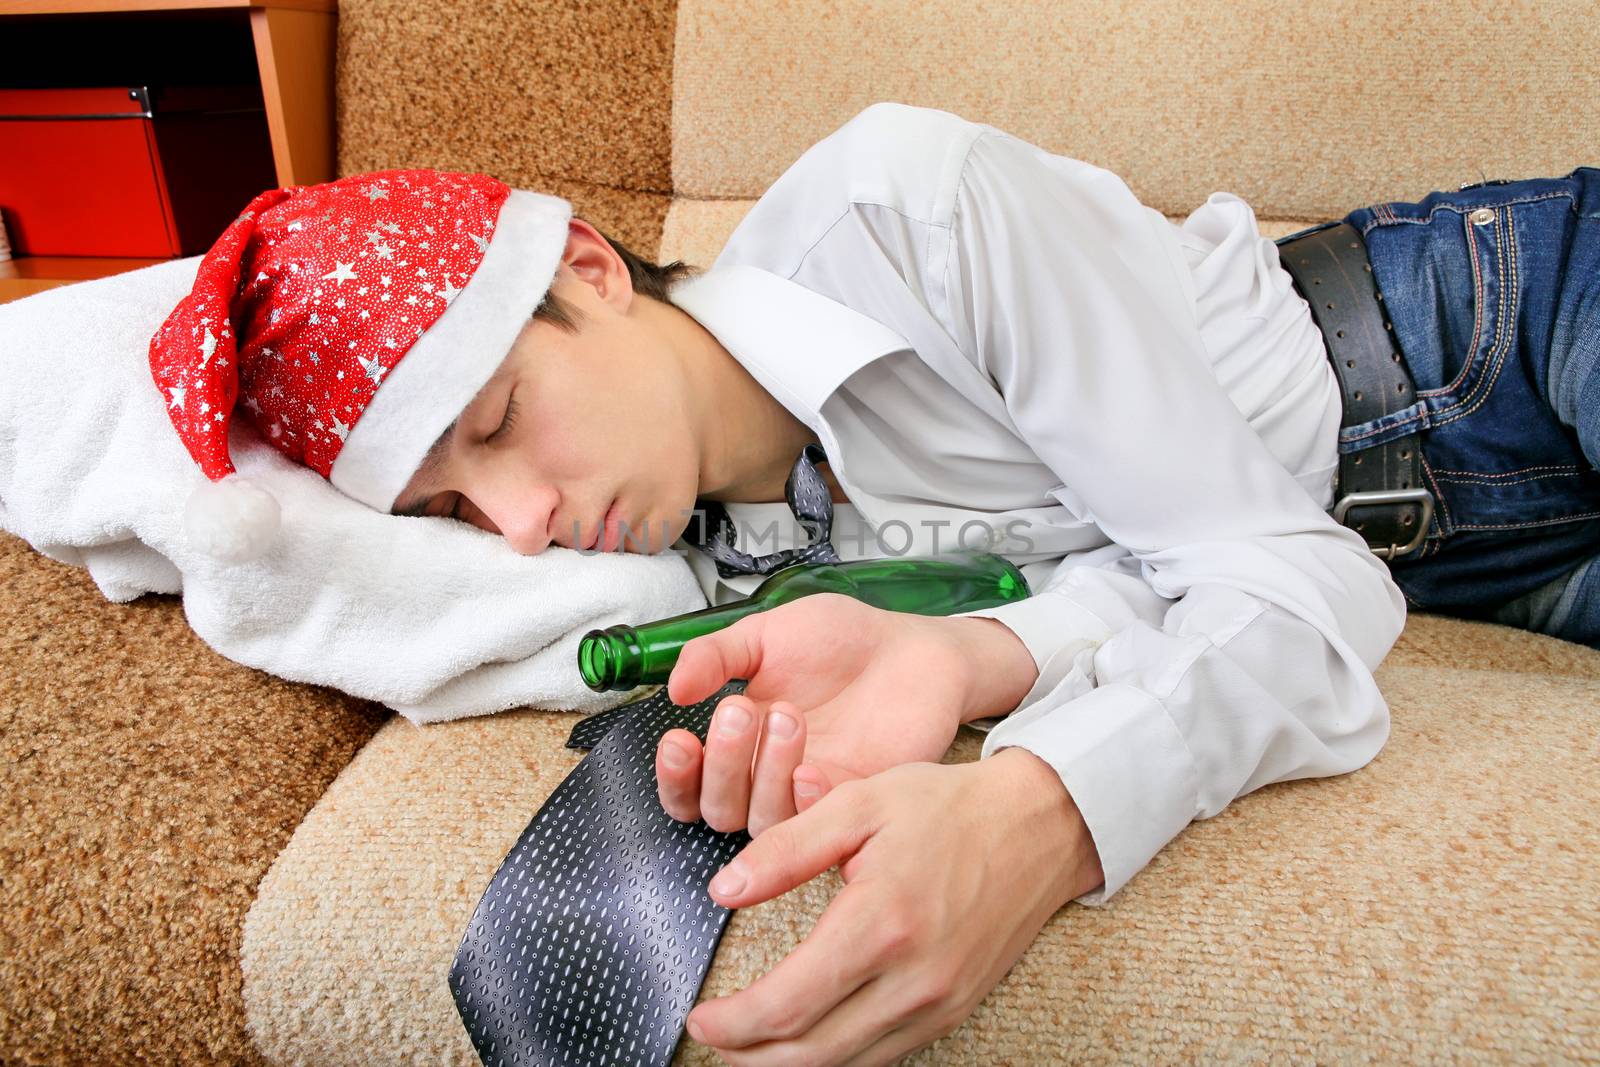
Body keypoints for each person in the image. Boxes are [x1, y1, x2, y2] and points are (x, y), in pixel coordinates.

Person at [150, 102, 1598, 1066]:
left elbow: (1267, 567)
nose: (521, 525)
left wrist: (1044, 814)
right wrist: (974, 660)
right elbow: (1154, 572)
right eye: (455, 508)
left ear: (588, 269)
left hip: (1499, 326)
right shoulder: (738, 570)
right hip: (1464, 567)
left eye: (499, 424)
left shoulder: (905, 207)